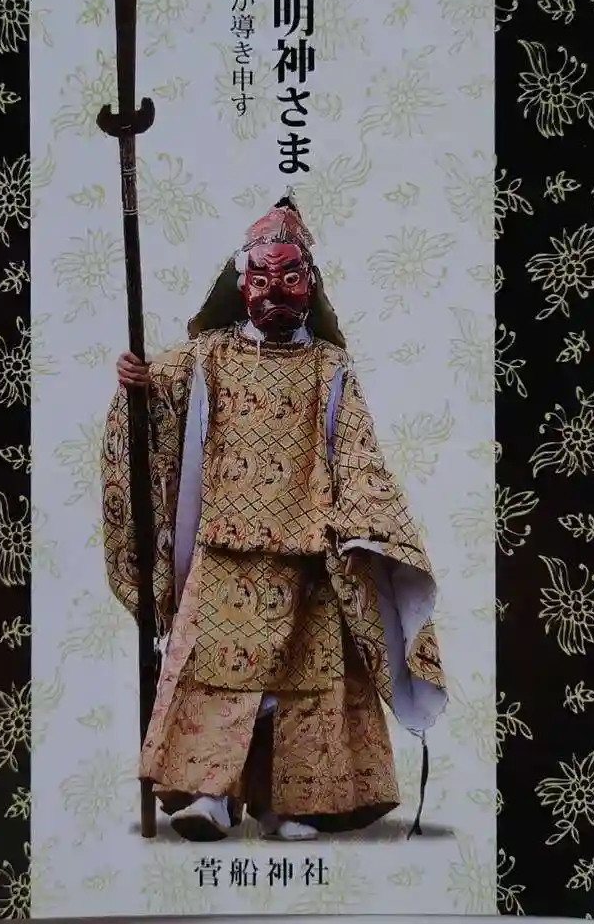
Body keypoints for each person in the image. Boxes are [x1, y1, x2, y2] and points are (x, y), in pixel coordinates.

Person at [101, 194, 447, 843]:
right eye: (261, 278)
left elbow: (357, 451)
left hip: (307, 551)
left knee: (302, 687)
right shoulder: (206, 355)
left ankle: (289, 805)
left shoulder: (331, 367)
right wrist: (137, 383)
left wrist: (366, 520)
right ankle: (209, 795)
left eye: (289, 277)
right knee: (214, 675)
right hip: (222, 547)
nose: (275, 292)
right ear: (241, 284)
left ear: (310, 284)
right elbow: (156, 401)